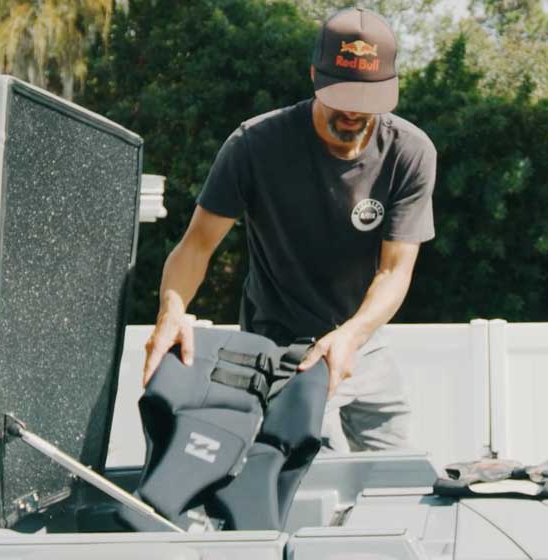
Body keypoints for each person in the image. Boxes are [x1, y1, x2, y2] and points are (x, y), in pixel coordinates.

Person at [141, 7, 436, 452]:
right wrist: (171, 311)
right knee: (315, 479)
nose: (354, 112)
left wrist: (352, 336)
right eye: (342, 96)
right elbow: (197, 246)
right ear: (314, 77)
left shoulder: (409, 153)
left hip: (365, 344)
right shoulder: (254, 146)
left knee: (399, 474)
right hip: (278, 350)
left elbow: (395, 271)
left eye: (367, 100)